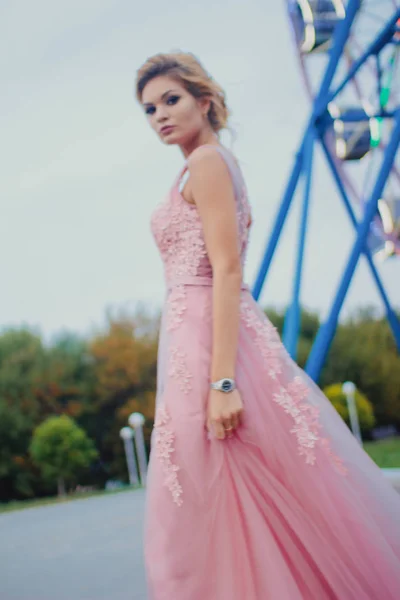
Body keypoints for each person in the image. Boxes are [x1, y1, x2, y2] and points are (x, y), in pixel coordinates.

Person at [135, 51, 400, 599]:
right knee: (228, 488)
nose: (160, 114)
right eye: (149, 108)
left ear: (205, 101)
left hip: (212, 342)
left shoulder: (208, 164)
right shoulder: (200, 165)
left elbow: (227, 268)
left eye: (171, 99)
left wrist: (224, 380)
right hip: (195, 341)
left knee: (212, 488)